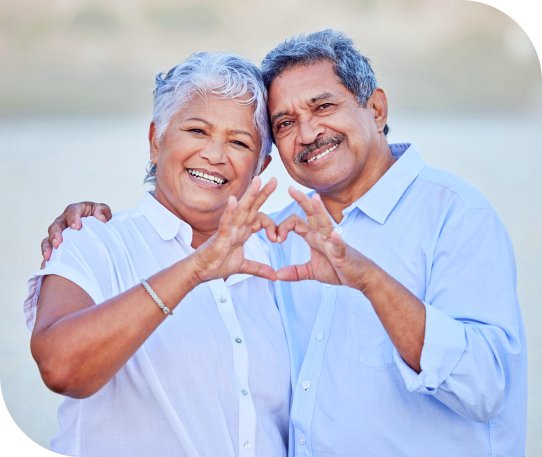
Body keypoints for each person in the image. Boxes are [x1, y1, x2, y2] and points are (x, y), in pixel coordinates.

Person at [42, 30, 527, 456]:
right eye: (284, 123)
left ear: (376, 108)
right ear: (155, 139)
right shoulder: (268, 238)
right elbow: (65, 364)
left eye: (323, 106)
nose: (308, 132)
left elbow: (485, 390)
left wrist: (371, 281)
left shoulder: (456, 215)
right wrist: (90, 220)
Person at [25, 52, 292, 457]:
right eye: (197, 131)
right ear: (156, 140)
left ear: (260, 166)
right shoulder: (93, 240)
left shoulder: (278, 258)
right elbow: (61, 369)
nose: (215, 154)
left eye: (239, 142)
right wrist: (195, 268)